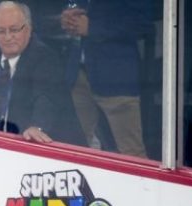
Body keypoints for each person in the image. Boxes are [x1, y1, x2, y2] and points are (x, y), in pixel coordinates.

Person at [0, 1, 85, 146]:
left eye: (14, 30)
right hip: (2, 143)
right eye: (1, 31)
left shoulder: (45, 57)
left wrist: (38, 126)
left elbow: (46, 97)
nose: (8, 37)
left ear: (28, 29)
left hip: (51, 147)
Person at [60, 1, 153, 157]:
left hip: (116, 77)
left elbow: (142, 24)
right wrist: (66, 17)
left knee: (131, 153)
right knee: (76, 145)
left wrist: (93, 28)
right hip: (78, 74)